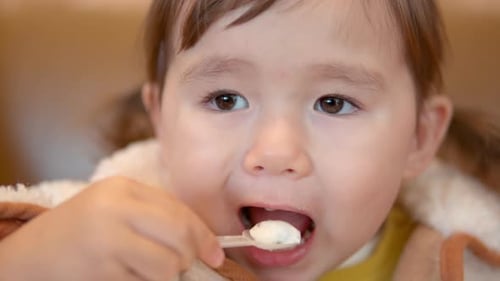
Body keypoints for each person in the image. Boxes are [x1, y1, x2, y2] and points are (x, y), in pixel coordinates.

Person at [0, 0, 499, 280]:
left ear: (418, 138)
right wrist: (30, 261)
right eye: (224, 99)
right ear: (162, 123)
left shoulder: (460, 263)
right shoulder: (93, 242)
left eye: (333, 103)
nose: (276, 153)